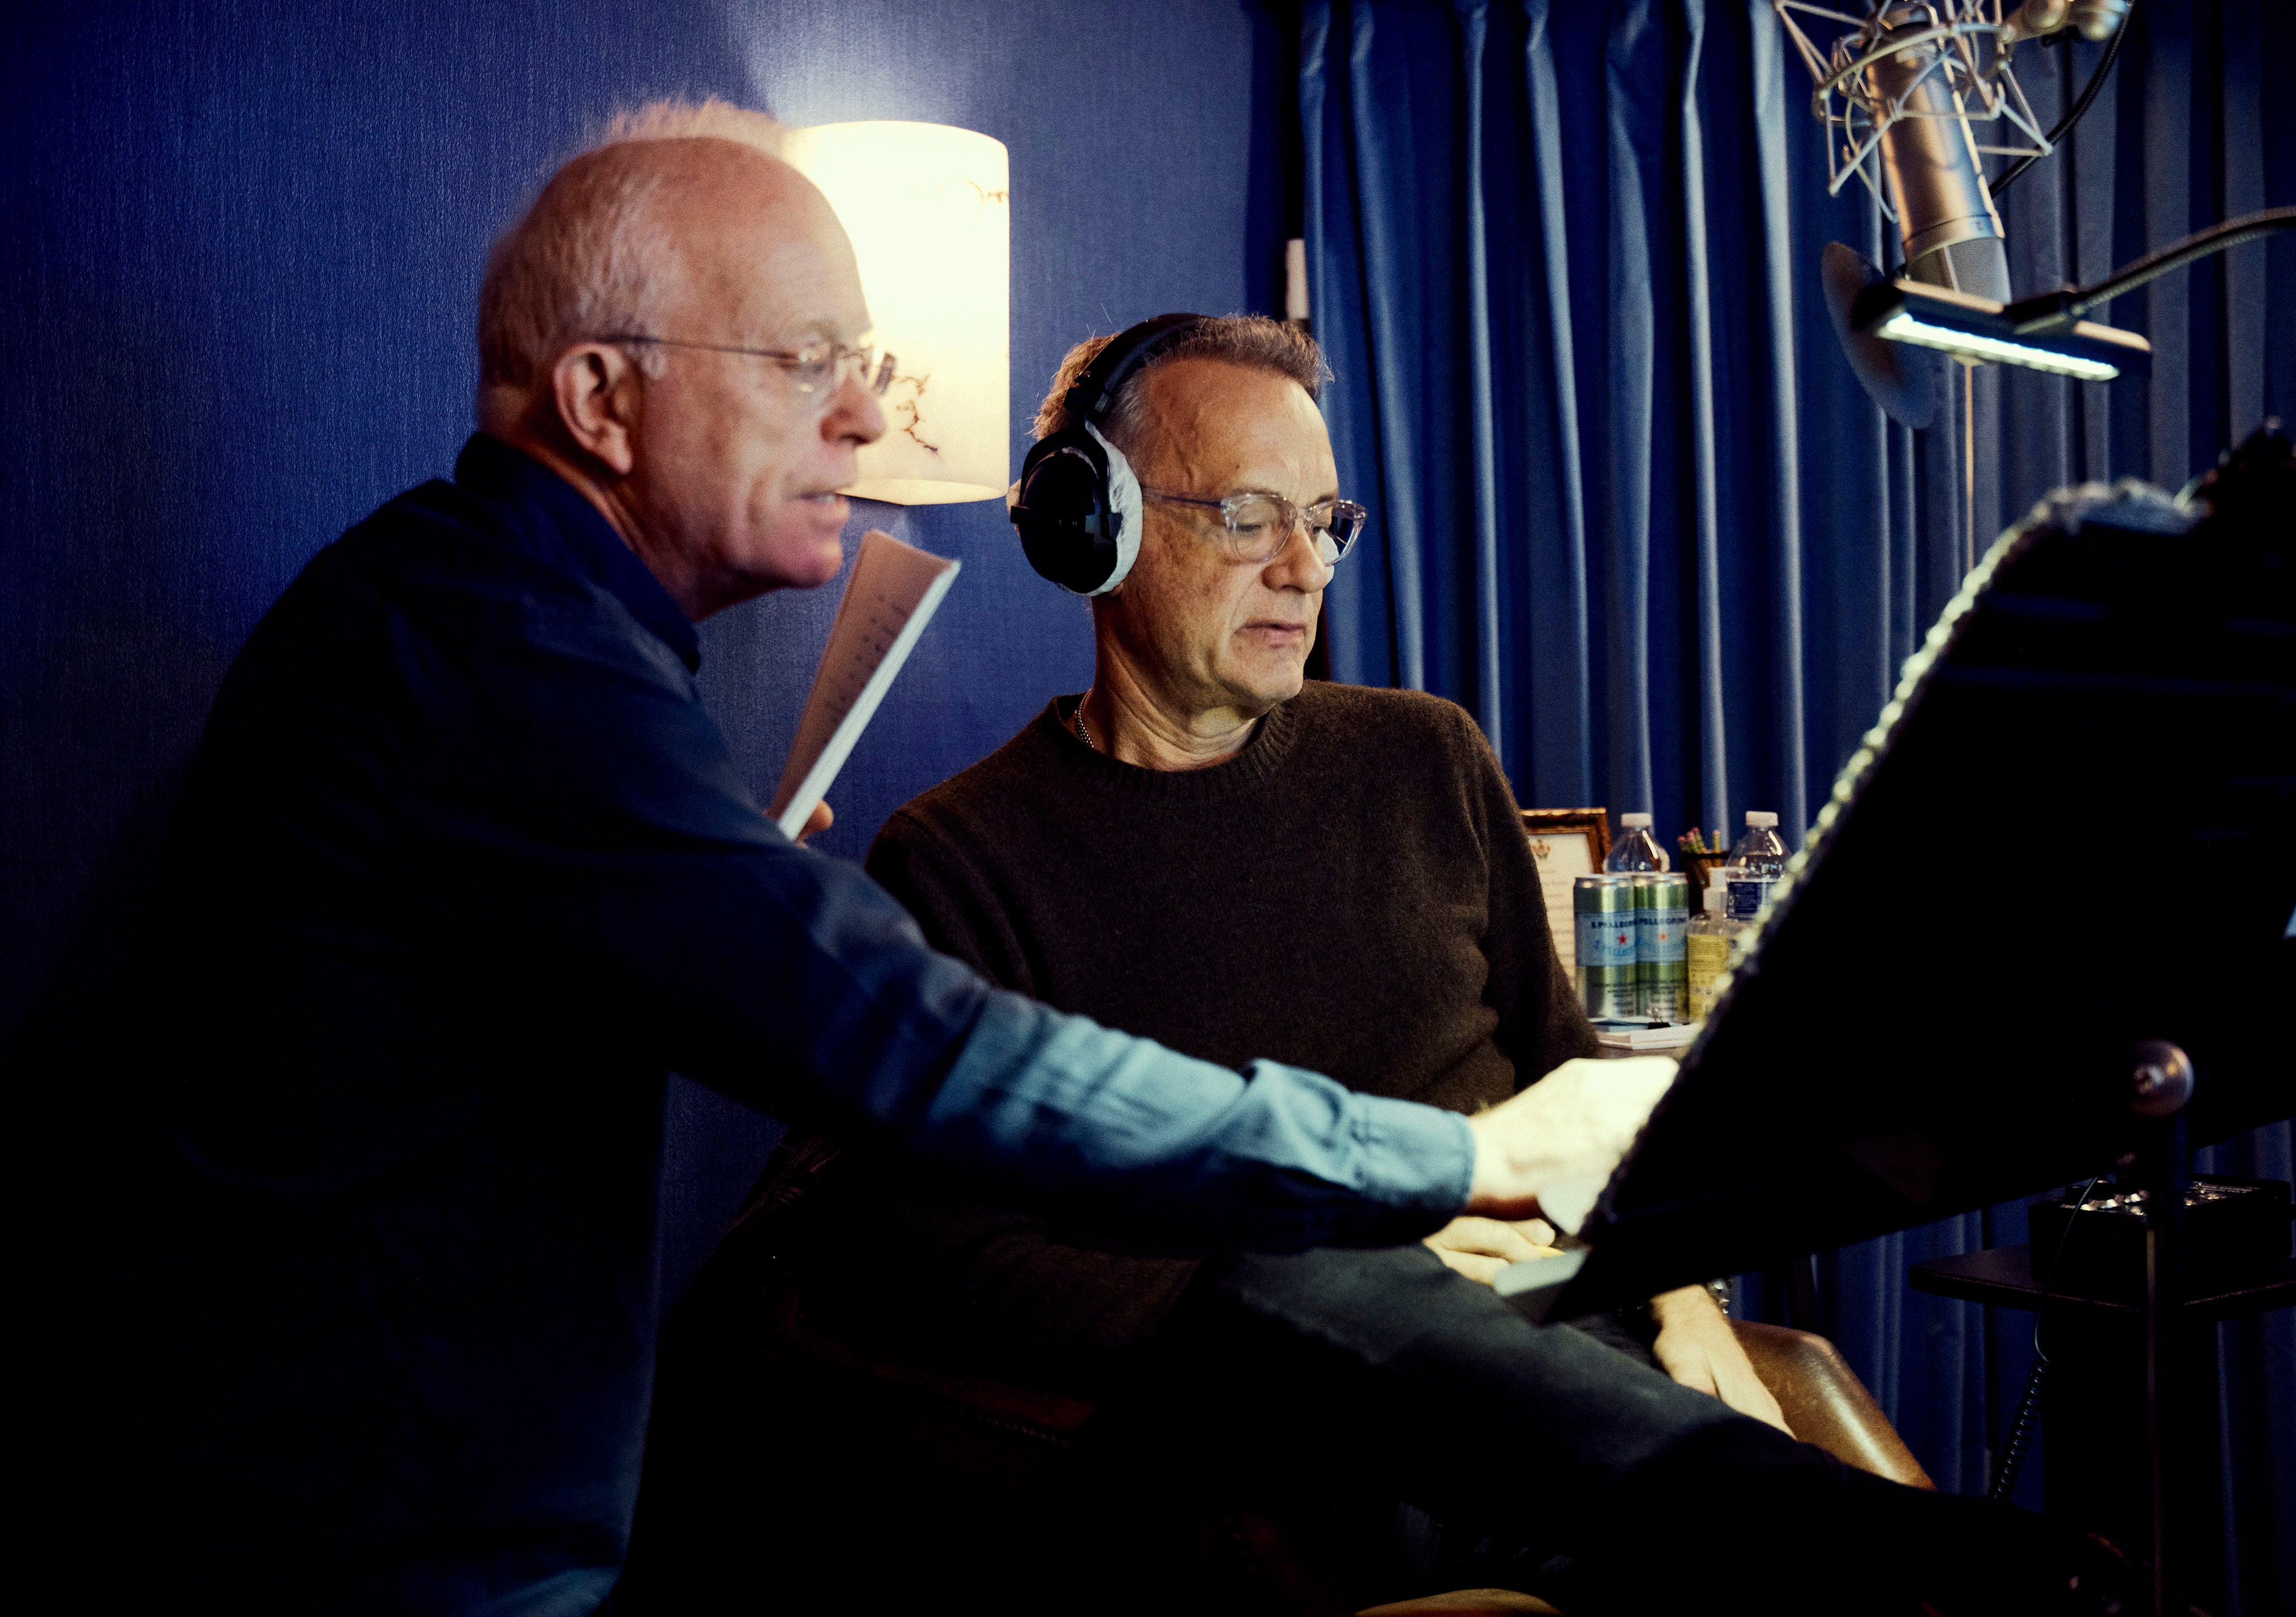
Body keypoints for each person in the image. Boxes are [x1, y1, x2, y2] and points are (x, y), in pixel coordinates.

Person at [66, 104, 1665, 1614]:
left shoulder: (501, 645)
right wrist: (1444, 1168)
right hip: (359, 1546)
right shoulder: (495, 667)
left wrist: (701, 892)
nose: (869, 413)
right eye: (805, 359)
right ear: (601, 398)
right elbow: (927, 1065)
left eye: (869, 361)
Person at [650, 316, 2148, 1617]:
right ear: (1084, 527)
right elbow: (953, 1264)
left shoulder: (1421, 754)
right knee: (1314, 1269)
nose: (1305, 567)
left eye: (1327, 520)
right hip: (1315, 1421)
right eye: (1247, 516)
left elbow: (1570, 1074)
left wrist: (1682, 1297)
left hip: (1579, 1361)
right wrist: (1370, 1267)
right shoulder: (958, 854)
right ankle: (1896, 1547)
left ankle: (1865, 1557)